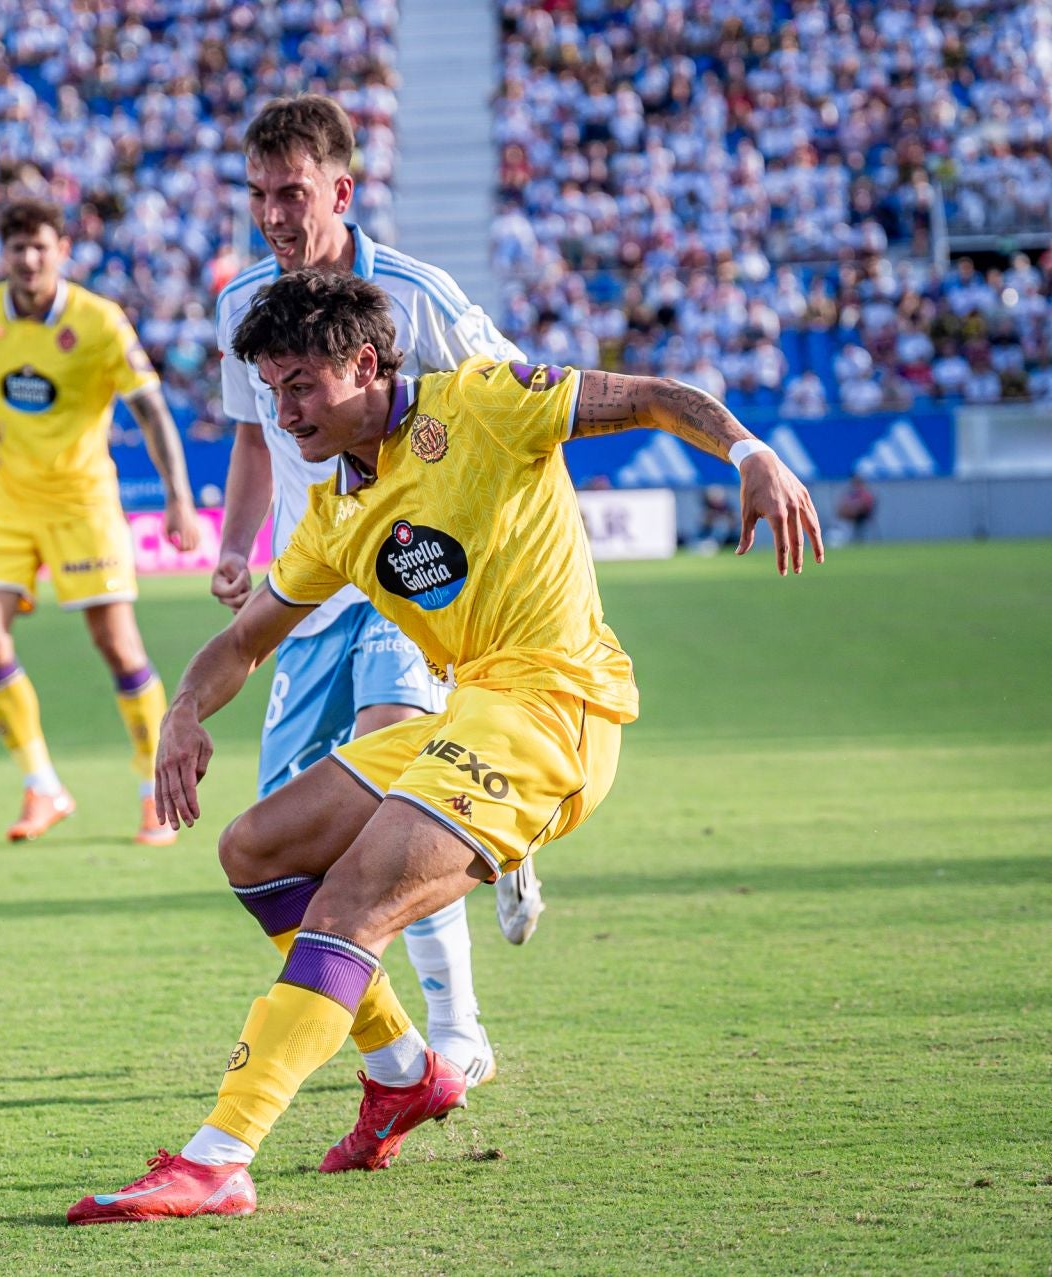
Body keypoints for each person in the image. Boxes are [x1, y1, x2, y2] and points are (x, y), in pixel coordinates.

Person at [68, 269, 821, 1224]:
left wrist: (750, 451)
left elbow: (653, 396)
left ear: (365, 364)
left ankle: (219, 1160)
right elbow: (245, 640)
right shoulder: (339, 514)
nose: (283, 413)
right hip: (467, 713)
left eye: (300, 385)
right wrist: (183, 709)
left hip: (555, 710)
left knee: (349, 904)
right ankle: (402, 1072)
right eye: (270, 389)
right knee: (254, 848)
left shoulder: (484, 402)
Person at [210, 94, 524, 1091]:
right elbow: (252, 437)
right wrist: (235, 546)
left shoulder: (419, 296)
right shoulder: (241, 304)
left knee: (401, 789)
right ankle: (395, 1052)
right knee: (283, 846)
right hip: (308, 592)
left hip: (411, 586)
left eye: (292, 191)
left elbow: (511, 404)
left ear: (341, 192)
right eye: (259, 193)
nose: (274, 212)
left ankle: (457, 1027)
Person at [0, 196, 201, 845]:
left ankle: (154, 788)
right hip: (10, 502)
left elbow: (151, 410)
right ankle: (43, 786)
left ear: (62, 251)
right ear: (2, 254)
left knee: (118, 646)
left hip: (84, 502)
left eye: (40, 246)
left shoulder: (99, 321)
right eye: (17, 247)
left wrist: (179, 497)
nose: (28, 259)